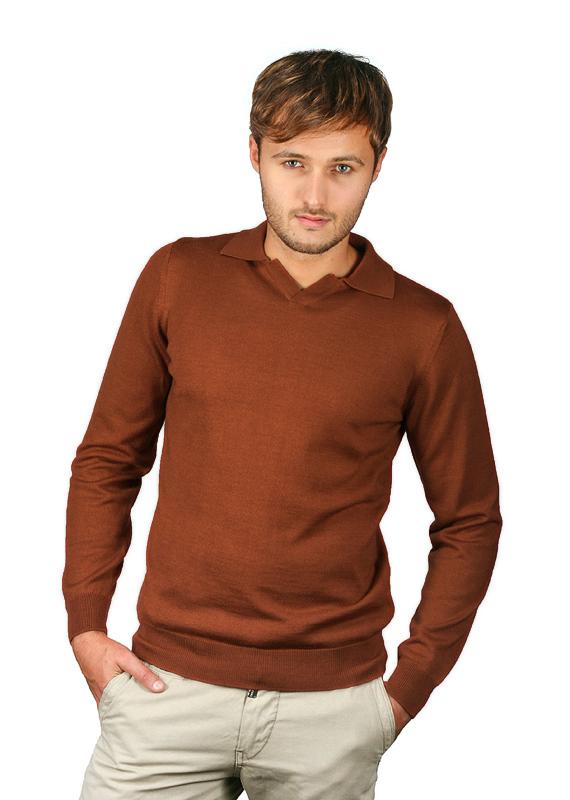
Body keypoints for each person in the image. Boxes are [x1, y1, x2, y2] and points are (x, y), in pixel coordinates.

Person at [63, 48, 503, 799]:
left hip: (331, 711)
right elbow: (108, 459)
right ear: (254, 154)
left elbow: (469, 520)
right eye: (292, 161)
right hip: (164, 690)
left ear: (378, 166)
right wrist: (85, 627)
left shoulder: (423, 326)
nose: (314, 195)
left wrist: (404, 692)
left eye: (343, 168)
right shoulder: (179, 276)